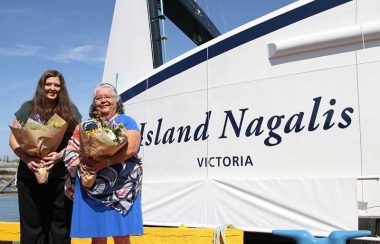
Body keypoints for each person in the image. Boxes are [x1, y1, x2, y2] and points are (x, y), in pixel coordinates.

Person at [63, 83, 143, 244]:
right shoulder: (86, 125)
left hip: (120, 189)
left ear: (116, 101)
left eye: (108, 97)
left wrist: (104, 163)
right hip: (92, 187)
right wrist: (81, 163)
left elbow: (132, 148)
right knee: (97, 235)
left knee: (121, 236)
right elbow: (71, 149)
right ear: (94, 102)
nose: (103, 101)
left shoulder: (126, 121)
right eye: (99, 98)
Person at [9, 69, 82, 244]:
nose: (52, 88)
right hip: (29, 175)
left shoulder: (70, 110)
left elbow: (79, 140)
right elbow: (13, 140)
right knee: (31, 227)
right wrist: (28, 159)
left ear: (61, 88)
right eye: (48, 84)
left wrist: (60, 155)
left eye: (57, 85)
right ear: (42, 86)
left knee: (60, 227)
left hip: (60, 178)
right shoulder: (28, 107)